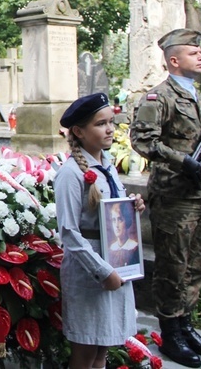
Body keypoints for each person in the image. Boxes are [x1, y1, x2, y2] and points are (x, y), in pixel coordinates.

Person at [130, 28, 201, 368]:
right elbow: (143, 142)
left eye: (199, 52)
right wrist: (183, 160)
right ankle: (171, 333)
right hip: (174, 196)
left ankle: (187, 325)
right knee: (172, 267)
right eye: (192, 52)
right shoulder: (158, 98)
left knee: (197, 265)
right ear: (173, 60)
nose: (200, 56)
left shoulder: (197, 96)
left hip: (200, 194)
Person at [55, 93, 145, 369]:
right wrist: (103, 272)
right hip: (91, 271)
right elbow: (69, 232)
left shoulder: (107, 166)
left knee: (101, 352)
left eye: (112, 123)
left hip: (117, 263)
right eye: (100, 124)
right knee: (85, 353)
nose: (109, 129)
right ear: (79, 132)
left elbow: (110, 210)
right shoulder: (71, 174)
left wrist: (132, 207)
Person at [108, 201, 140, 268]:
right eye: (114, 220)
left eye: (120, 219)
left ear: (126, 221)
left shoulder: (134, 248)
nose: (116, 225)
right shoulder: (111, 249)